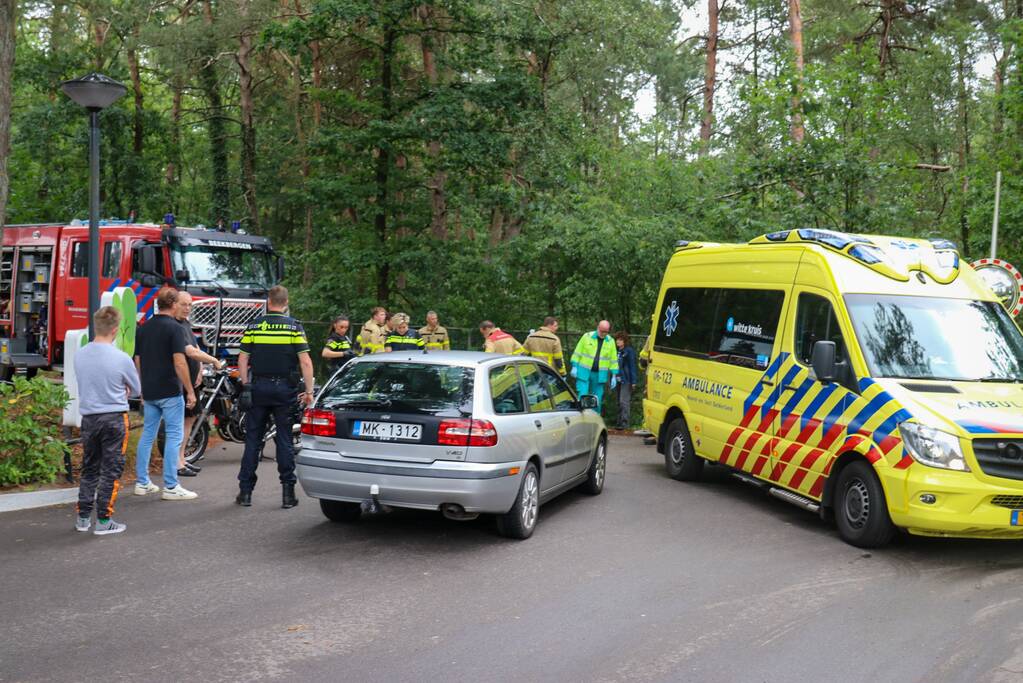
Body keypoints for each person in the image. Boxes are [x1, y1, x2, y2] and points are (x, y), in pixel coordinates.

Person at [236, 285, 315, 509]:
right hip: (284, 390)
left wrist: (246, 386)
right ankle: (288, 494)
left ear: (268, 302)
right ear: (286, 303)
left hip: (258, 387)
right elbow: (306, 361)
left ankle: (245, 493)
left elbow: (242, 359)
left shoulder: (254, 326)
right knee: (284, 441)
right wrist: (309, 392)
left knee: (253, 439)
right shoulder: (294, 328)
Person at [74, 306, 141, 535]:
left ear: (97, 326)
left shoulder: (80, 354)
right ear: (115, 329)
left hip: (89, 418)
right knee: (111, 470)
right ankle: (104, 521)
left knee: (89, 467)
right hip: (114, 418)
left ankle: (83, 518)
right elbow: (136, 390)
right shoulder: (121, 358)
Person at [134, 287, 198, 500]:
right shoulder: (175, 329)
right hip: (170, 390)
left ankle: (142, 482)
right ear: (173, 304)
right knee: (174, 435)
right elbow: (179, 362)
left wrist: (142, 386)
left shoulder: (143, 328)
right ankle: (171, 486)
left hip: (150, 389)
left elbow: (138, 360)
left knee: (147, 435)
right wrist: (190, 390)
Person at [172, 291, 224, 478]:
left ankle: (182, 459)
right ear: (174, 304)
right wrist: (214, 361)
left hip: (192, 382)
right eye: (183, 304)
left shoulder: (186, 323)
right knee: (180, 422)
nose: (187, 308)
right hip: (180, 383)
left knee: (190, 419)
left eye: (190, 305)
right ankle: (177, 463)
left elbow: (196, 348)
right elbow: (189, 352)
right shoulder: (175, 326)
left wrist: (200, 368)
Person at [570, 320, 619, 409]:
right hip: (583, 372)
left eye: (606, 332)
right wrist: (574, 366)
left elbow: (613, 359)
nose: (603, 333)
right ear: (598, 328)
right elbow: (577, 352)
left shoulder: (610, 341)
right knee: (582, 396)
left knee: (597, 400)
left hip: (599, 375)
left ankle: (595, 420)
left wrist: (614, 375)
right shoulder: (587, 337)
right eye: (602, 331)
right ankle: (581, 419)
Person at [614, 332, 639, 430]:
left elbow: (632, 366)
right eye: (617, 340)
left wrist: (633, 381)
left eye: (620, 340)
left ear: (624, 341)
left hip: (626, 379)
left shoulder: (628, 351)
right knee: (618, 402)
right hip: (617, 379)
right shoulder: (616, 351)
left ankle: (625, 424)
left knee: (624, 401)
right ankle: (619, 423)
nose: (618, 342)